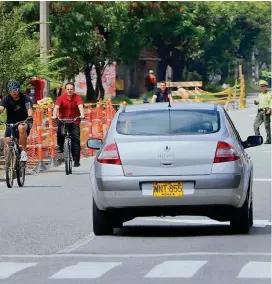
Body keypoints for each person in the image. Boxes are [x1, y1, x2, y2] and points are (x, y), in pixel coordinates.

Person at [52, 82, 85, 167]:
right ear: (65, 90)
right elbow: (56, 108)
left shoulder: (77, 97)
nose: (69, 91)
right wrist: (54, 115)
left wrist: (82, 115)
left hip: (74, 120)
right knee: (60, 132)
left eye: (71, 89)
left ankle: (76, 160)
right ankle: (60, 146)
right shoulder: (60, 98)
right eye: (68, 89)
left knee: (76, 140)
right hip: (63, 120)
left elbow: (80, 106)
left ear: (73, 90)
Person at [0, 80, 34, 162]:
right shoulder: (6, 99)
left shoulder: (25, 98)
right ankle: (8, 165)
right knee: (7, 140)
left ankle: (23, 151)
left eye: (15, 90)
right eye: (11, 90)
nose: (13, 92)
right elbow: (1, 108)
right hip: (11, 123)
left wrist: (29, 117)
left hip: (24, 121)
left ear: (19, 89)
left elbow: (29, 108)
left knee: (21, 127)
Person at [253, 80, 271, 144]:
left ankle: (269, 140)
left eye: (263, 86)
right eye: (261, 86)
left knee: (267, 127)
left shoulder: (269, 95)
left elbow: (271, 102)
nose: (261, 88)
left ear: (266, 87)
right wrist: (256, 102)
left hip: (266, 112)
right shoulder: (260, 94)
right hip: (260, 112)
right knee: (255, 125)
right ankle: (258, 139)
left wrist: (270, 109)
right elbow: (259, 101)